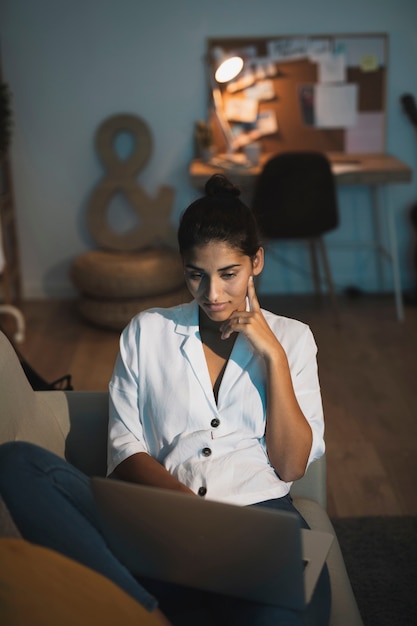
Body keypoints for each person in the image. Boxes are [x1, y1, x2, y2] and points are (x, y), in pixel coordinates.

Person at [0, 174, 330, 626]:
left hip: (259, 525)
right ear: (183, 267)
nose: (212, 295)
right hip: (160, 520)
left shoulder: (294, 339)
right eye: (197, 275)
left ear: (257, 261)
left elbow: (292, 466)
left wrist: (272, 354)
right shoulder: (147, 330)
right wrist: (184, 512)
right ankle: (147, 611)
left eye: (228, 274)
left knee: (287, 615)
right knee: (18, 463)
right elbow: (123, 447)